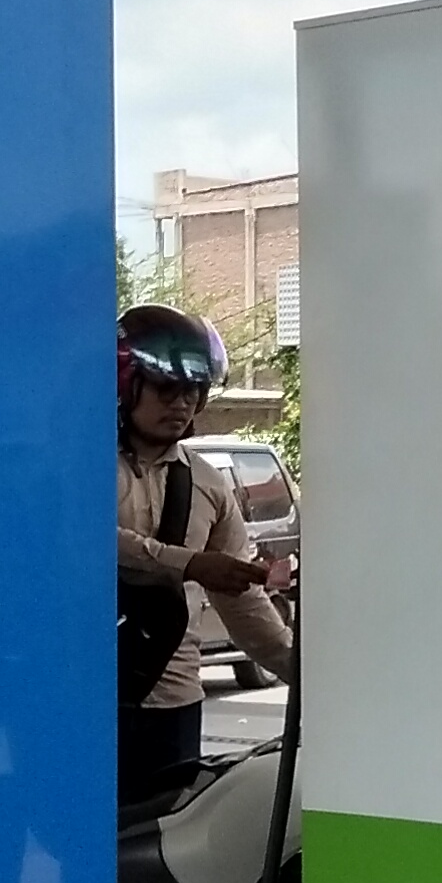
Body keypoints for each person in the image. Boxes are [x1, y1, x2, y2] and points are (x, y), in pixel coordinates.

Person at [115, 305, 294, 803]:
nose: (181, 403)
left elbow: (244, 604)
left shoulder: (208, 484)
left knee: (161, 834)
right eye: (166, 388)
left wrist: (306, 677)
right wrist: (190, 563)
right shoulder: (81, 466)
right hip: (85, 696)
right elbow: (87, 544)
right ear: (127, 384)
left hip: (174, 702)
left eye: (193, 391)